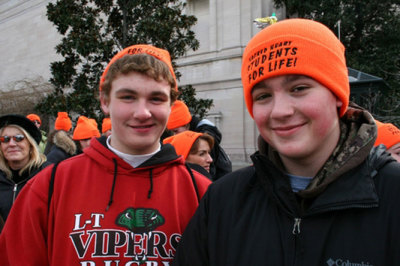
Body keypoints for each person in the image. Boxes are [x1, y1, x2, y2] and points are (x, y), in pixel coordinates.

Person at [173, 18, 400, 265]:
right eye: (263, 96)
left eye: (299, 88)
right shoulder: (222, 201)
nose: (280, 111)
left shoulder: (393, 195)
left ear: (337, 94)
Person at [0, 44, 211, 265]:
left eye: (156, 98)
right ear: (105, 101)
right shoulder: (48, 187)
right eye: (128, 97)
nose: (142, 113)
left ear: (171, 105)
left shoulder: (202, 193)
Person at [0, 114, 50, 222]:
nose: (11, 144)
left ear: (30, 143)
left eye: (19, 138)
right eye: (5, 139)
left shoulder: (48, 175)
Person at [167, 100, 232, 180]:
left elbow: (210, 170)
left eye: (176, 131)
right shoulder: (197, 132)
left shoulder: (204, 134)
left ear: (187, 125)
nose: (174, 135)